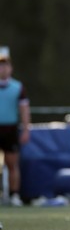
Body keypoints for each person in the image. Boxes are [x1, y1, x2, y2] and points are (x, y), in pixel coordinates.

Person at [0, 53, 30, 207]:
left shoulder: (17, 87)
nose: (2, 69)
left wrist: (26, 129)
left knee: (12, 164)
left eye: (5, 65)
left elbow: (24, 109)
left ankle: (14, 195)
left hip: (10, 129)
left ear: (10, 68)